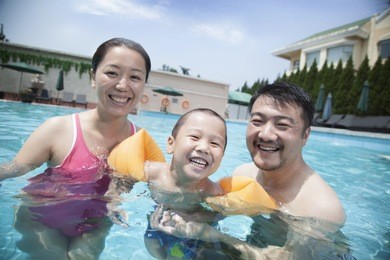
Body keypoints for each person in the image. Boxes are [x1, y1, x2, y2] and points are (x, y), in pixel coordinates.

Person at [150, 82, 348, 259]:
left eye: (282, 125)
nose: (266, 134)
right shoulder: (244, 174)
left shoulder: (320, 208)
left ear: (305, 135)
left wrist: (212, 235)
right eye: (258, 121)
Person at [0, 37, 152, 259]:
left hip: (96, 222)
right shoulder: (58, 130)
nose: (122, 85)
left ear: (143, 85)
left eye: (135, 77)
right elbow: (13, 168)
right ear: (93, 77)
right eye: (112, 73)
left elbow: (165, 187)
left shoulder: (142, 143)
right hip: (41, 218)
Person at [142, 108, 228, 259]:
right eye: (195, 137)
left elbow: (217, 217)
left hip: (188, 237)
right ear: (171, 144)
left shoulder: (213, 192)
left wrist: (198, 217)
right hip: (155, 225)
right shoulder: (152, 173)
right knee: (152, 247)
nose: (204, 148)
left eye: (215, 143)